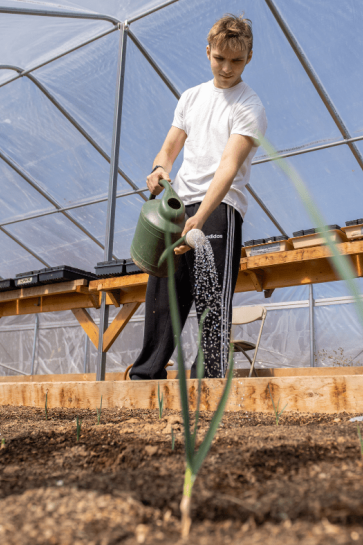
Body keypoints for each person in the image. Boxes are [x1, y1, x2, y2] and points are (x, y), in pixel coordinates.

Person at [129, 13, 267, 380]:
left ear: (249, 58)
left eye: (236, 61)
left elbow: (228, 166)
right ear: (208, 52)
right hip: (179, 208)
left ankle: (208, 380)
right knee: (162, 298)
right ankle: (146, 376)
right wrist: (159, 168)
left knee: (212, 300)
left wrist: (202, 217)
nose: (226, 68)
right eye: (219, 58)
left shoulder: (249, 107)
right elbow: (169, 148)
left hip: (219, 210)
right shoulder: (191, 97)